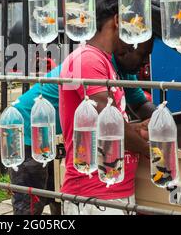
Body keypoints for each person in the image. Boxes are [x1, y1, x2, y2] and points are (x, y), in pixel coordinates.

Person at [9, 35, 155, 214]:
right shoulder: (91, 65)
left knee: (55, 198)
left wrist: (165, 122)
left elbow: (140, 105)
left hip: (55, 135)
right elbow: (112, 124)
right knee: (31, 205)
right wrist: (152, 150)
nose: (144, 62)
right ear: (126, 49)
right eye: (142, 55)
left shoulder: (123, 71)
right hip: (28, 129)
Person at [59, 0, 152, 215]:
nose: (136, 33)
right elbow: (110, 126)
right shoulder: (88, 59)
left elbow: (105, 124)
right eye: (135, 22)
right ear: (119, 20)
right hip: (95, 197)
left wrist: (134, 128)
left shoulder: (104, 62)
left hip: (111, 192)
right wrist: (156, 152)